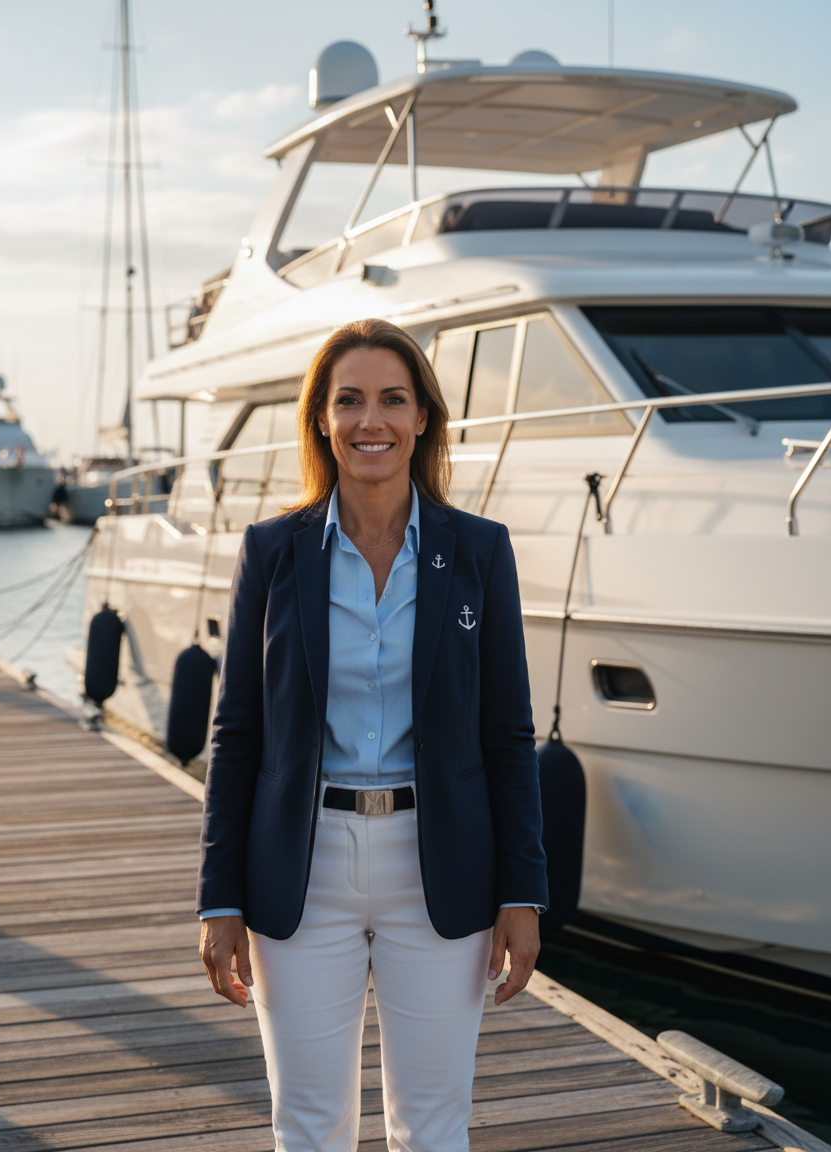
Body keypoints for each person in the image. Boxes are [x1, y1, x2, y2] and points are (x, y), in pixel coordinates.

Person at [197, 318, 548, 1152]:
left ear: (424, 416)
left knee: (432, 1129)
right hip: (301, 865)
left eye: (393, 399)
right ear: (321, 418)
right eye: (348, 400)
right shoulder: (272, 552)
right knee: (309, 1128)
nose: (371, 421)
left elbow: (508, 734)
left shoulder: (479, 552)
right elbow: (236, 732)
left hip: (441, 865)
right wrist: (219, 898)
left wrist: (521, 893)